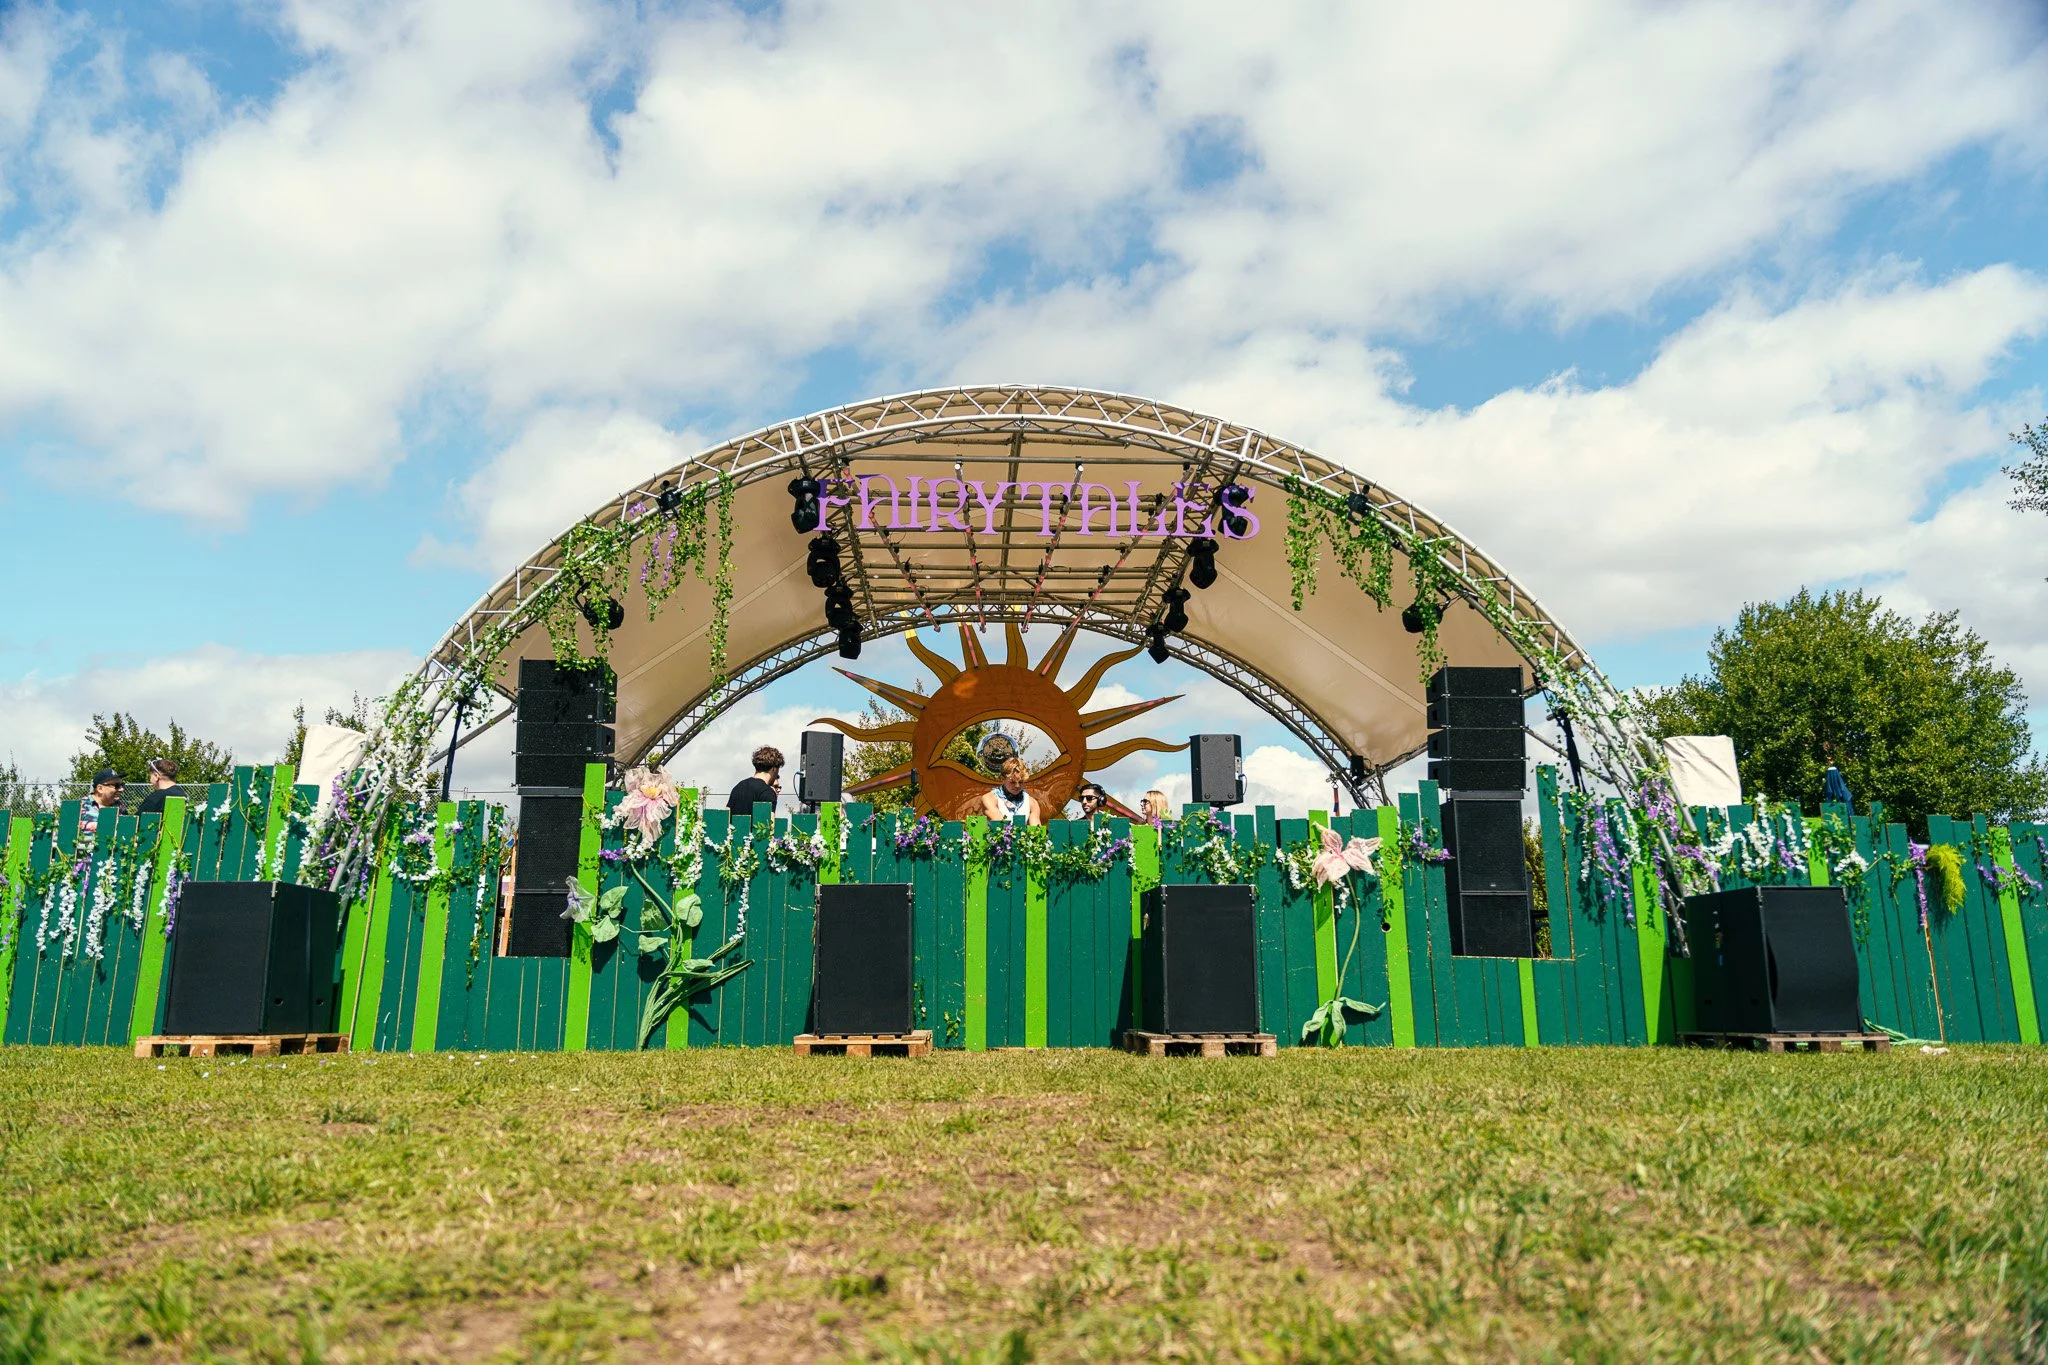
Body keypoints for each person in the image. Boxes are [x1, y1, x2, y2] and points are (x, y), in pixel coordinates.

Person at [980, 756, 1044, 826]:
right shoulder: (989, 799)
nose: (1017, 786)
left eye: (1021, 782)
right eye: (1012, 782)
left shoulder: (1032, 803)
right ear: (1002, 779)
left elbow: (1036, 831)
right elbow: (1002, 826)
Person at [727, 745, 784, 816]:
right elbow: (768, 823)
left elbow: (727, 814)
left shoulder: (738, 787)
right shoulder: (767, 792)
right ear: (774, 769)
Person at [80, 768, 123, 834]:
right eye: (117, 786)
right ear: (100, 788)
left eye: (122, 785)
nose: (121, 789)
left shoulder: (120, 807)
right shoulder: (80, 807)